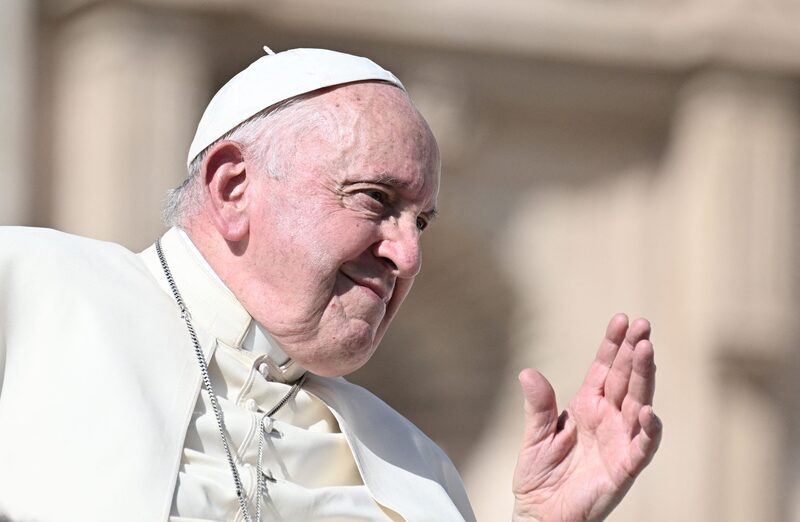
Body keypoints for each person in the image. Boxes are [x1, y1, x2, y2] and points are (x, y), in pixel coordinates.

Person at [0, 48, 661, 521]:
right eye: (376, 199)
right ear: (233, 189)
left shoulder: (411, 465)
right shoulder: (31, 292)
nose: (408, 254)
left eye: (421, 221)